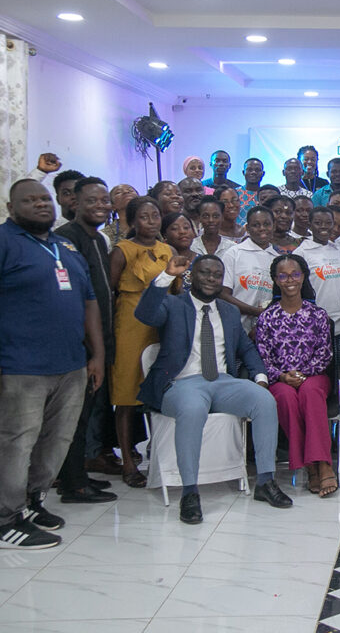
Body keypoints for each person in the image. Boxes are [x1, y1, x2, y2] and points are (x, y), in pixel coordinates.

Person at [137, 254, 293, 523]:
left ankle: (266, 481)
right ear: (191, 276)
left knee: (264, 400)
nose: (211, 279)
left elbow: (246, 347)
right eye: (204, 273)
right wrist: (166, 276)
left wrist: (260, 378)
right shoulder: (174, 305)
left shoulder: (229, 311)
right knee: (193, 408)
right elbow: (145, 314)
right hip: (182, 383)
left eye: (216, 275)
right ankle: (190, 492)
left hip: (222, 381)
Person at [0, 179, 106, 549]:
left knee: (56, 440)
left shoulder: (65, 246)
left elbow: (89, 300)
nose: (41, 204)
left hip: (71, 364)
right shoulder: (5, 242)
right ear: (12, 208)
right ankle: (5, 519)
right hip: (20, 366)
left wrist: (97, 355)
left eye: (45, 198)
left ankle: (31, 502)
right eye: (30, 200)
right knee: (16, 442)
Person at [53, 177, 119, 503]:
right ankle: (73, 484)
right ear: (75, 204)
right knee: (74, 417)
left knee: (86, 412)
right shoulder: (66, 239)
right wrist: (92, 349)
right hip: (80, 345)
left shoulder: (98, 239)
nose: (100, 206)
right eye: (92, 201)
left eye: (104, 201)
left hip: (100, 340)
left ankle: (77, 475)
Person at [255, 254, 337, 496]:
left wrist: (302, 374)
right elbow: (262, 358)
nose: (290, 280)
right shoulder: (266, 318)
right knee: (286, 398)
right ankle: (312, 466)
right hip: (280, 380)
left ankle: (321, 464)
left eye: (295, 274)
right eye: (283, 275)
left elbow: (325, 353)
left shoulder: (318, 314)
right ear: (275, 280)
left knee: (310, 393)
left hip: (314, 376)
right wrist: (281, 377)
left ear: (304, 277)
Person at [109, 196, 173, 487]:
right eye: (145, 217)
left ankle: (160, 456)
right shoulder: (122, 250)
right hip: (130, 325)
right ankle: (126, 463)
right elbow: (109, 292)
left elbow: (176, 290)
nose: (151, 222)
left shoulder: (166, 250)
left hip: (160, 325)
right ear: (133, 221)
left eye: (155, 216)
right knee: (126, 395)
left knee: (159, 392)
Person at [220, 206, 278, 332]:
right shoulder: (234, 253)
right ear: (247, 228)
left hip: (267, 329)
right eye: (256, 225)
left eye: (267, 224)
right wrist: (256, 312)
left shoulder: (278, 259)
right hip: (235, 326)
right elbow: (223, 294)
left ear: (274, 226)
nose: (262, 228)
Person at [294, 207, 340, 339]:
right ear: (310, 225)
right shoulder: (301, 253)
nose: (324, 227)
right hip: (315, 323)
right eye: (318, 223)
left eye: (328, 223)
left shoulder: (337, 249)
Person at [161, 212, 198, 293]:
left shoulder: (202, 261)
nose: (182, 232)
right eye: (175, 228)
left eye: (186, 227)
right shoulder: (161, 260)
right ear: (164, 235)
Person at [236, 158, 264, 225]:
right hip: (237, 234)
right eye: (249, 170)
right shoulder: (234, 194)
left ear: (263, 173)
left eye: (257, 170)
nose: (253, 172)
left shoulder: (266, 194)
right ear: (243, 172)